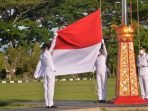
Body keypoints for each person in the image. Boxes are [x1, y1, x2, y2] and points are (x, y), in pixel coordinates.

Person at [34, 42, 56, 108]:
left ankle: (47, 104)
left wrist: (36, 74)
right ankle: (50, 104)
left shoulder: (42, 55)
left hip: (45, 73)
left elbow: (38, 65)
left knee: (45, 88)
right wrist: (56, 35)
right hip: (51, 72)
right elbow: (53, 44)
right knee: (50, 88)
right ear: (47, 48)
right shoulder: (48, 53)